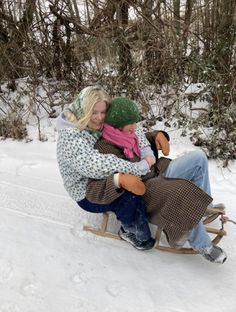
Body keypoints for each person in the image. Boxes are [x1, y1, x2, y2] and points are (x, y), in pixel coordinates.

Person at [85, 97, 227, 264]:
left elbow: (143, 138)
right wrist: (119, 180)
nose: (135, 127)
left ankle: (203, 209)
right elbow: (93, 189)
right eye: (130, 123)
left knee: (198, 158)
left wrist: (157, 136)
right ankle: (202, 244)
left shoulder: (129, 135)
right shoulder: (104, 149)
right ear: (117, 125)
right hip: (147, 189)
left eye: (135, 122)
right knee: (181, 192)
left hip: (159, 171)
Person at [56, 85, 157, 250]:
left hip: (102, 177)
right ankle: (133, 232)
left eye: (103, 112)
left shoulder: (94, 122)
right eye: (94, 113)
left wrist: (146, 147)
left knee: (142, 164)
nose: (99, 118)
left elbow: (127, 127)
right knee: (128, 197)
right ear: (84, 111)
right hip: (86, 191)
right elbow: (95, 164)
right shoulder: (71, 136)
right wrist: (136, 168)